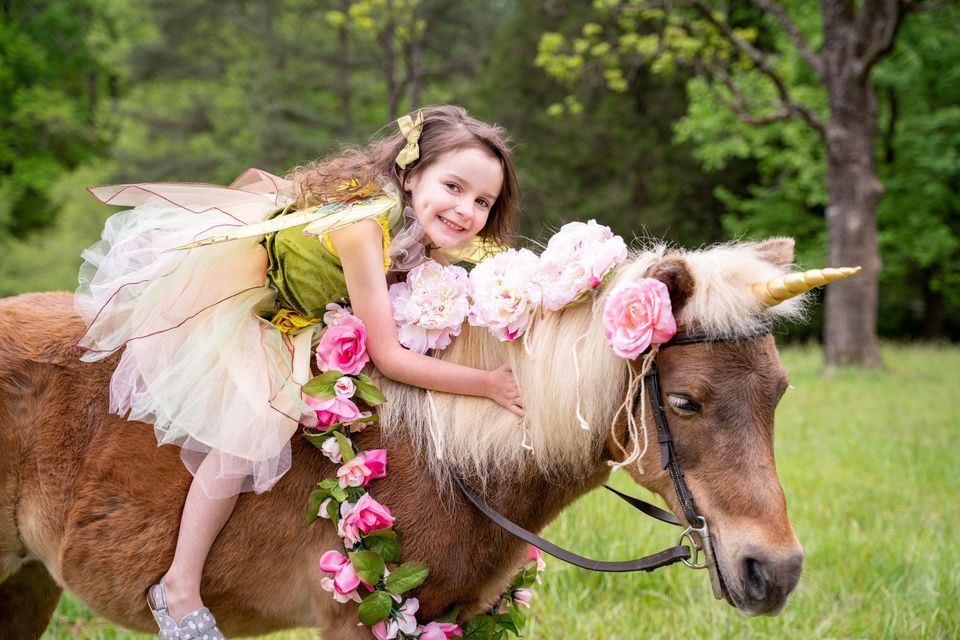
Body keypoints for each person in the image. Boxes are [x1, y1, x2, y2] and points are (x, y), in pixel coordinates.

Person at [74, 105, 524, 638]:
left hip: (314, 319)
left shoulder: (415, 233)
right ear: (409, 174)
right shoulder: (361, 224)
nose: (466, 210)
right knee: (246, 437)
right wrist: (488, 384)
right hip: (261, 312)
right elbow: (390, 356)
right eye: (453, 186)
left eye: (482, 202)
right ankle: (178, 588)